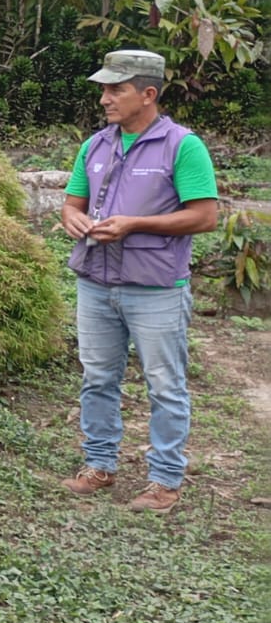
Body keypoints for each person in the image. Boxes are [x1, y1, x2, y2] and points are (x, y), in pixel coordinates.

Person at [59, 49, 218, 514]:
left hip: (155, 290)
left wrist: (135, 224)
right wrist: (72, 218)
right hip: (95, 282)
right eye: (104, 89)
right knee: (97, 378)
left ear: (148, 94)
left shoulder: (182, 146)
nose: (105, 99)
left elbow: (204, 216)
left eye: (116, 89)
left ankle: (165, 481)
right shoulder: (95, 145)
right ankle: (99, 465)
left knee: (165, 385)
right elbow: (72, 203)